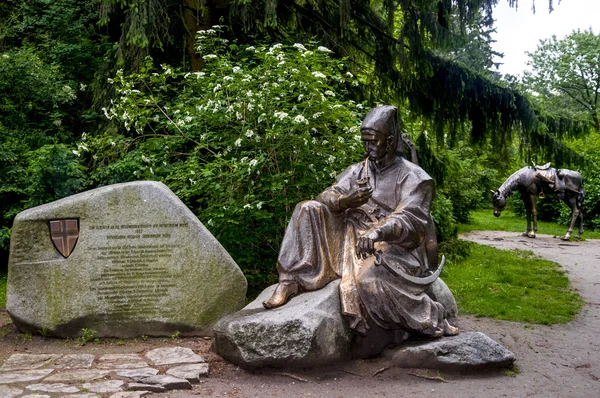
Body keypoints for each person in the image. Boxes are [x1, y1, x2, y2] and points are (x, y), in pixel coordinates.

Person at [263, 105, 458, 337]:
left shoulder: (415, 178)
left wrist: (377, 231)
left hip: (393, 245)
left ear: (390, 141)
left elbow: (409, 219)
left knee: (370, 282)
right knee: (307, 208)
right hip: (349, 235)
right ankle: (290, 280)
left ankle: (429, 316)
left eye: (373, 142)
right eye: (365, 141)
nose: (367, 148)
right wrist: (346, 200)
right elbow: (325, 196)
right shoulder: (359, 170)